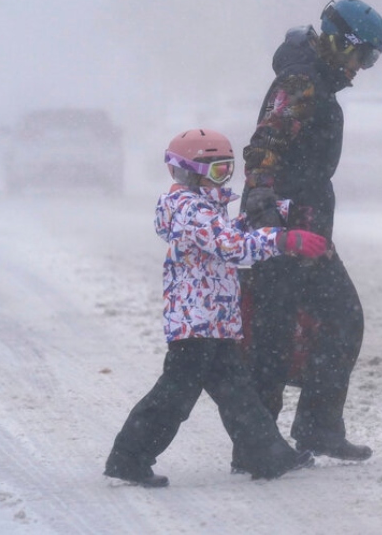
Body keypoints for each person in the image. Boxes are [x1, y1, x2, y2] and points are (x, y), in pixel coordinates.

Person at [104, 128, 329, 487]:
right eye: (217, 171)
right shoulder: (189, 208)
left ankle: (268, 456)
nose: (223, 178)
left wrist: (269, 214)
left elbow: (227, 233)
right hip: (195, 323)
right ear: (190, 172)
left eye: (228, 170)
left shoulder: (204, 208)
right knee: (174, 396)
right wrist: (283, 239)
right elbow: (230, 246)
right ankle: (129, 457)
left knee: (237, 392)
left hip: (216, 320)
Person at [238, 0, 382, 464]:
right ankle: (256, 446)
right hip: (281, 226)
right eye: (363, 56)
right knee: (273, 335)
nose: (363, 68)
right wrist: (263, 200)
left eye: (372, 60)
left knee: (341, 319)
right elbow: (265, 143)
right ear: (339, 42)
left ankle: (318, 428)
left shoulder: (317, 79)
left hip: (309, 229)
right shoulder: (302, 81)